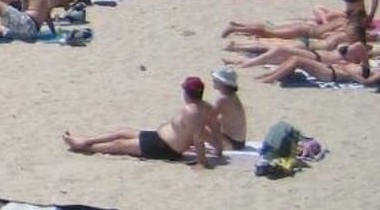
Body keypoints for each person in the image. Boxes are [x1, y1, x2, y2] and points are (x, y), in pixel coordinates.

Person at [63, 76, 224, 167]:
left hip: (164, 148)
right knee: (122, 131)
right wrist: (218, 148)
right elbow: (214, 128)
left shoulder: (191, 111)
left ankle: (86, 147)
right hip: (158, 138)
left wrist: (202, 162)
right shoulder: (206, 107)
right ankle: (85, 141)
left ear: (187, 93)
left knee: (118, 145)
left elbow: (198, 136)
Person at [211, 67, 248, 150]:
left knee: (199, 126)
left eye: (215, 79)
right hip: (239, 142)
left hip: (231, 142)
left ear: (222, 83)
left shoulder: (222, 99)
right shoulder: (232, 96)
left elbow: (208, 117)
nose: (213, 80)